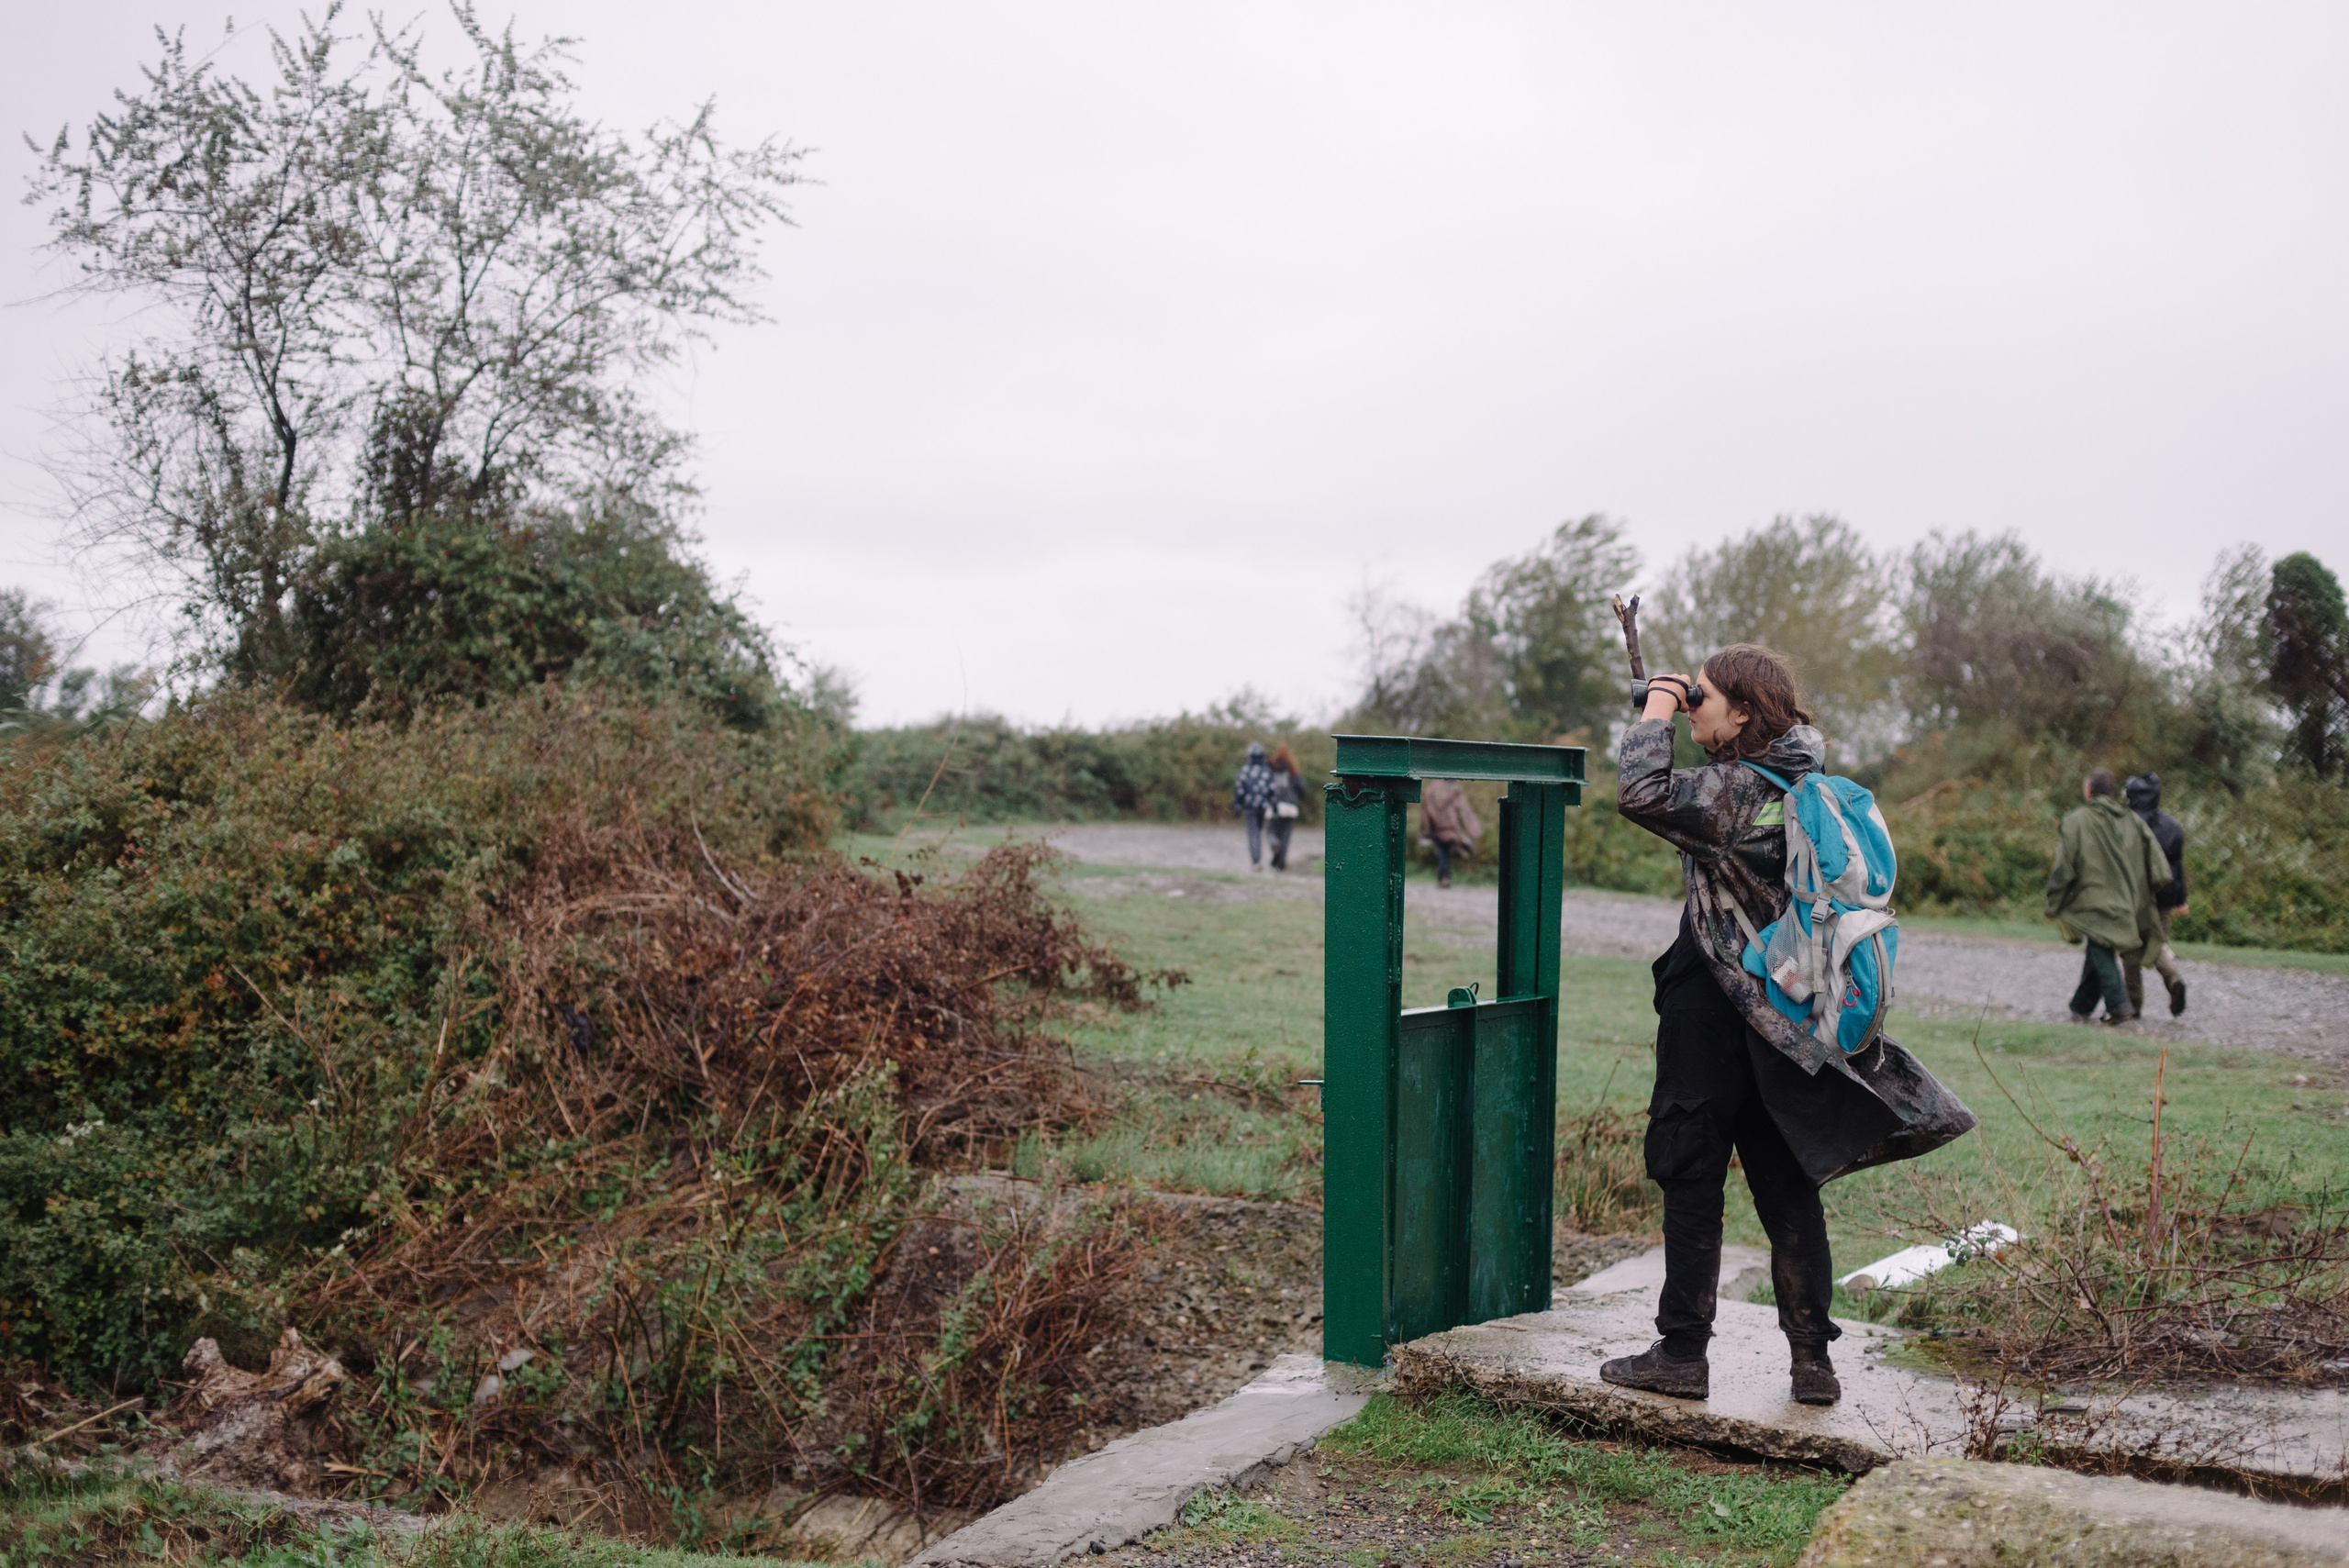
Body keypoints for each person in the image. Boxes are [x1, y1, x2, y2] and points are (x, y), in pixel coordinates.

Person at [1605, 644, 1976, 1409]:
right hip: (1786, 1018)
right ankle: (1814, 1363)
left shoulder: (1736, 790)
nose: (1690, 704)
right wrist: (1673, 699)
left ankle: (1681, 1354)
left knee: (1690, 1169)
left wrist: (1654, 711)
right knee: (1787, 1186)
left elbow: (1640, 791)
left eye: (1702, 696)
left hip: (1714, 1012)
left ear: (1744, 712)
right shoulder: (1802, 781)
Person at [2046, 769, 2168, 1026]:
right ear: (2112, 792)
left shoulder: (2076, 820)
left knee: (2099, 946)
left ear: (2089, 790)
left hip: (2091, 902)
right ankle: (2080, 1007)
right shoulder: (2132, 820)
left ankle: (2119, 1006)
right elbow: (2158, 867)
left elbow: (2063, 868)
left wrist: (2053, 902)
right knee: (2099, 945)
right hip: (2127, 901)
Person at [2121, 773, 2189, 1017]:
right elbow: (2178, 867)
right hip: (2165, 896)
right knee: (2156, 941)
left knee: (2130, 947)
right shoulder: (2171, 826)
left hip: (2133, 896)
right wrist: (2182, 899)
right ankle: (2173, 980)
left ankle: (2133, 1004)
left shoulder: (2125, 825)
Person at [1418, 777, 1481, 888]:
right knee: (1445, 850)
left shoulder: (1431, 788)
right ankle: (1445, 876)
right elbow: (1463, 809)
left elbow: (1425, 810)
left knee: (1442, 850)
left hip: (1436, 825)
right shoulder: (1455, 789)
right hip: (1451, 826)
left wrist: (1425, 830)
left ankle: (1444, 876)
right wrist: (1473, 829)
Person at [1232, 742, 1276, 873]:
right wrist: (1273, 805)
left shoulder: (1245, 771)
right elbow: (1272, 790)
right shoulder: (1267, 771)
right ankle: (1263, 855)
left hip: (1249, 807)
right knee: (1259, 831)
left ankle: (1256, 861)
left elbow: (1240, 790)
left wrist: (1237, 805)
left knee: (1253, 833)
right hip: (1262, 807)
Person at [1265, 745, 1306, 872]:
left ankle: (1274, 843)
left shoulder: (1271, 768)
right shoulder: (1293, 769)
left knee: (1271, 831)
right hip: (1290, 807)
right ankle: (1280, 864)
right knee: (1285, 837)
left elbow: (1266, 786)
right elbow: (1301, 787)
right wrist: (1297, 799)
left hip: (1275, 805)